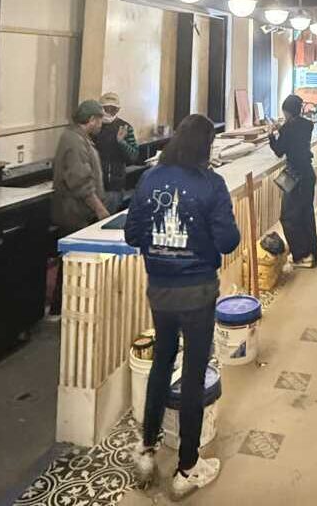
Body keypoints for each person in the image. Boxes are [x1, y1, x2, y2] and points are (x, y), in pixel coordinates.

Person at [125, 114, 240, 498]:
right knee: (192, 373)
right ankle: (187, 468)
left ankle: (146, 448)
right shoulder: (210, 184)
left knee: (162, 363)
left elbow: (132, 234)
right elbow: (228, 241)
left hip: (160, 290)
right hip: (197, 293)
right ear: (206, 146)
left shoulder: (150, 179)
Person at [50, 100, 109, 316]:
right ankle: (64, 310)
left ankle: (66, 308)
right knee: (72, 264)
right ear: (91, 119)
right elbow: (80, 181)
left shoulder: (79, 138)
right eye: (100, 119)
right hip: (74, 213)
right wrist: (100, 209)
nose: (102, 124)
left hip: (78, 212)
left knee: (72, 263)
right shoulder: (74, 142)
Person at [269, 94, 317, 268]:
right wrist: (282, 128)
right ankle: (311, 255)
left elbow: (278, 151)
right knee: (306, 215)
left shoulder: (287, 128)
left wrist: (272, 134)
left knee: (288, 217)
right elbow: (295, 138)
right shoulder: (308, 125)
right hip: (308, 174)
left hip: (296, 177)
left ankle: (301, 256)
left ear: (287, 111)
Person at [94, 92, 138, 208]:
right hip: (93, 187)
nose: (109, 112)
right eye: (106, 108)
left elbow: (134, 156)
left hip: (114, 187)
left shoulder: (125, 127)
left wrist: (122, 142)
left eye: (113, 109)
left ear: (118, 110)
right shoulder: (93, 127)